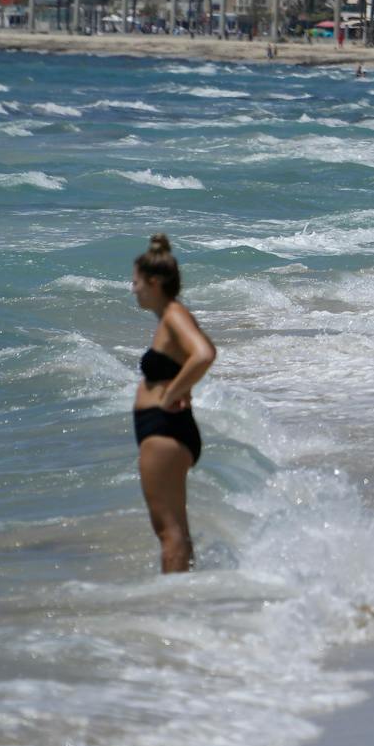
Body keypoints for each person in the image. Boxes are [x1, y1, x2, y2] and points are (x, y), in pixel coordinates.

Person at [129, 234, 218, 574]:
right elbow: (193, 356)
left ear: (154, 282)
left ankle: (173, 608)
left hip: (164, 429)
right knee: (176, 531)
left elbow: (205, 354)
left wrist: (170, 394)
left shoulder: (174, 315)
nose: (133, 289)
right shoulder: (172, 317)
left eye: (136, 282)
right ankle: (185, 599)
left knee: (169, 533)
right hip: (168, 430)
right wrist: (182, 384)